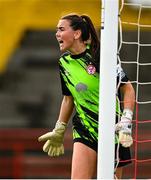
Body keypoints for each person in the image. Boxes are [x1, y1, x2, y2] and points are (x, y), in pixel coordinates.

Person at [38, 13, 135, 179]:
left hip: (112, 131)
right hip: (84, 130)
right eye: (56, 30)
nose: (57, 34)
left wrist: (126, 120)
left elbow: (128, 89)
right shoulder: (64, 62)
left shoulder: (101, 56)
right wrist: (60, 128)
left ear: (77, 34)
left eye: (61, 29)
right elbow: (68, 98)